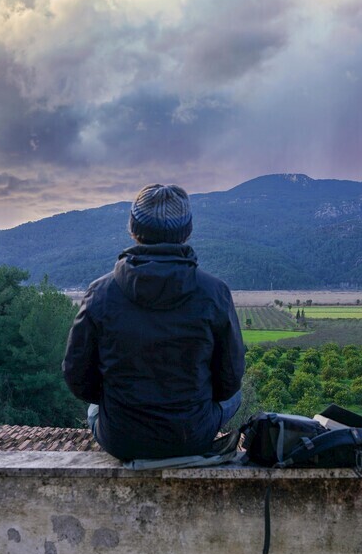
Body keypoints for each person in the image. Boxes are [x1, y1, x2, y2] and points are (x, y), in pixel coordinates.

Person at [62, 183, 245, 461]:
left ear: (133, 229)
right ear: (187, 231)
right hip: (190, 438)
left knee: (94, 409)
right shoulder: (214, 292)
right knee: (237, 395)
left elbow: (77, 377)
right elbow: (229, 382)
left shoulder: (100, 293)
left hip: (122, 439)